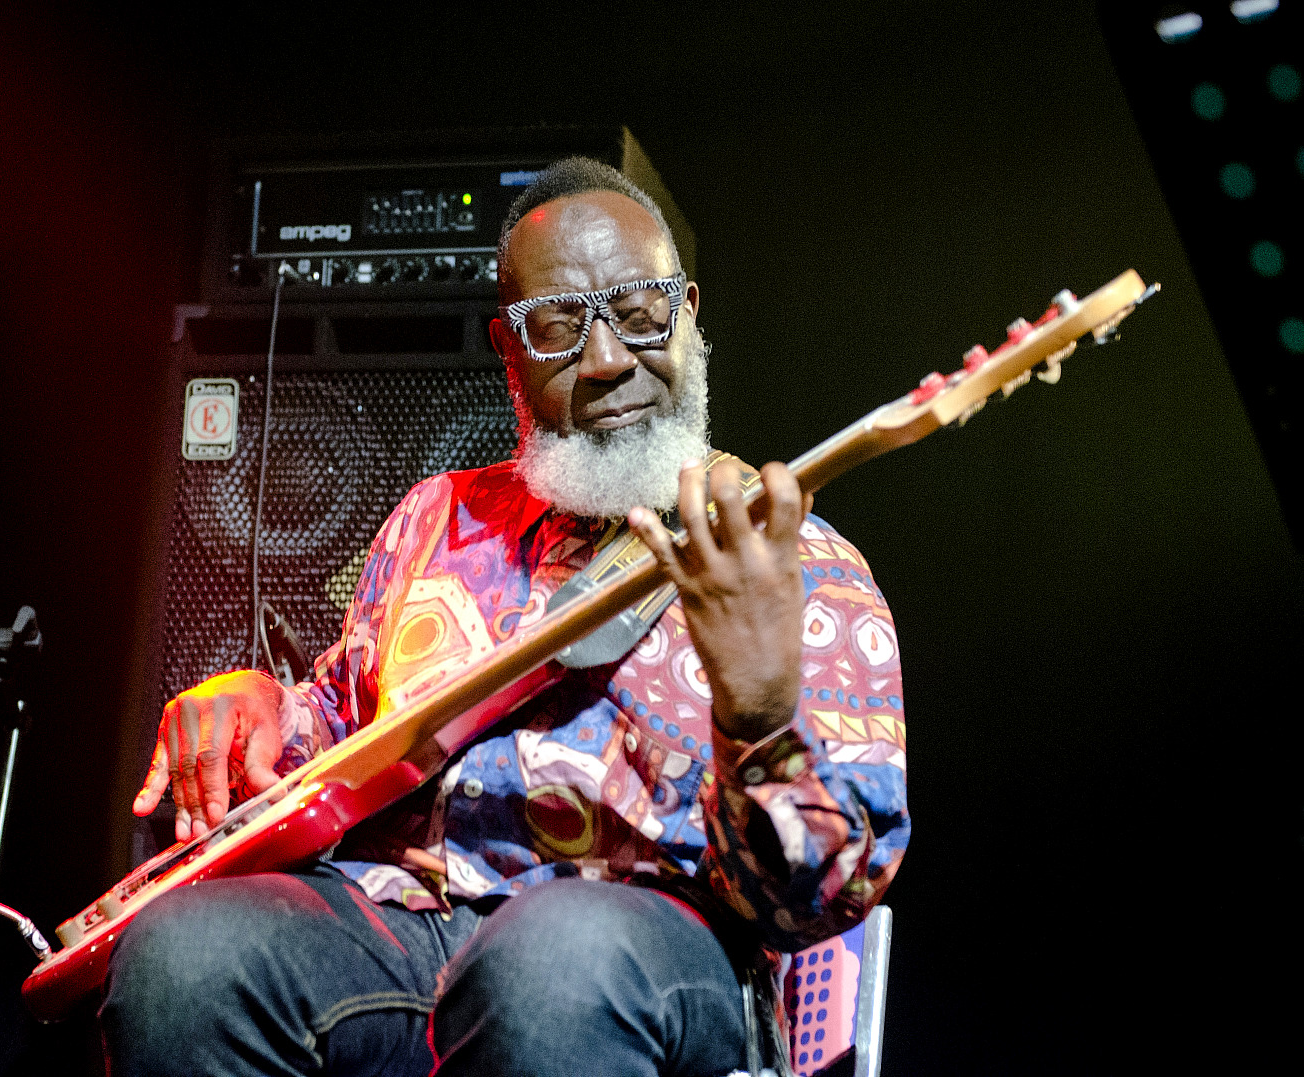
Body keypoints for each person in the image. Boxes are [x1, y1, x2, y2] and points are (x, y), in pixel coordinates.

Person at [102, 158, 909, 1077]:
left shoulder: (798, 561)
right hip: (404, 934)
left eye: (639, 309)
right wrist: (259, 707)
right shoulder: (434, 516)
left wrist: (758, 723)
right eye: (561, 325)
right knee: (187, 955)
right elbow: (337, 725)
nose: (608, 360)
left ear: (687, 312)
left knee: (548, 961)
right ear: (509, 351)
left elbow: (825, 897)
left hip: (640, 956)